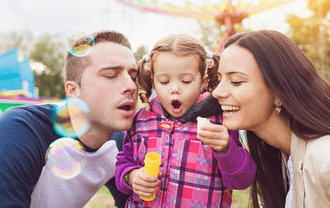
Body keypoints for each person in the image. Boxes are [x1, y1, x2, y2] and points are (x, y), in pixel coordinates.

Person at [184, 30, 330, 208]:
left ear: (279, 92)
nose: (217, 93)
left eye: (236, 81)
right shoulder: (278, 160)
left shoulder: (324, 159)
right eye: (220, 79)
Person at [115, 34, 256, 207]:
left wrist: (226, 148)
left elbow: (242, 181)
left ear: (203, 82)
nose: (175, 89)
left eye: (186, 81)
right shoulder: (141, 119)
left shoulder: (219, 122)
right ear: (153, 81)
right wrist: (132, 176)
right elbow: (124, 162)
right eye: (164, 81)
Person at [0, 31, 138, 207]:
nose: (131, 86)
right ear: (73, 91)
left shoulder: (121, 145)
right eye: (111, 75)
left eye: (134, 77)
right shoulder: (20, 131)